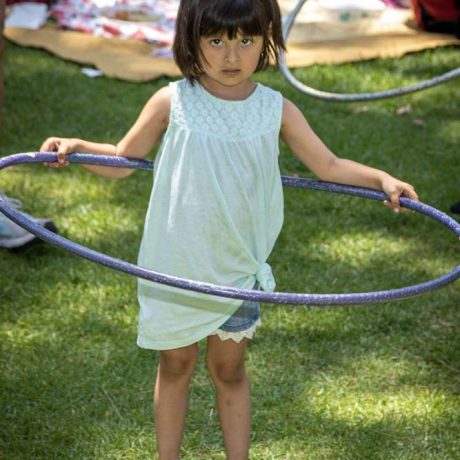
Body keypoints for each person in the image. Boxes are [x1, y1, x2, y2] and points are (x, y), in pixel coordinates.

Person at [39, 0, 419, 458]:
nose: (232, 56)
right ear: (190, 40)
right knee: (175, 365)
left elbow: (329, 164)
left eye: (246, 40)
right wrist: (78, 148)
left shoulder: (275, 109)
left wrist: (381, 179)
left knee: (230, 370)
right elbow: (123, 159)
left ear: (266, 40)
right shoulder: (172, 100)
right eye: (216, 41)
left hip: (236, 268)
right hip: (175, 263)